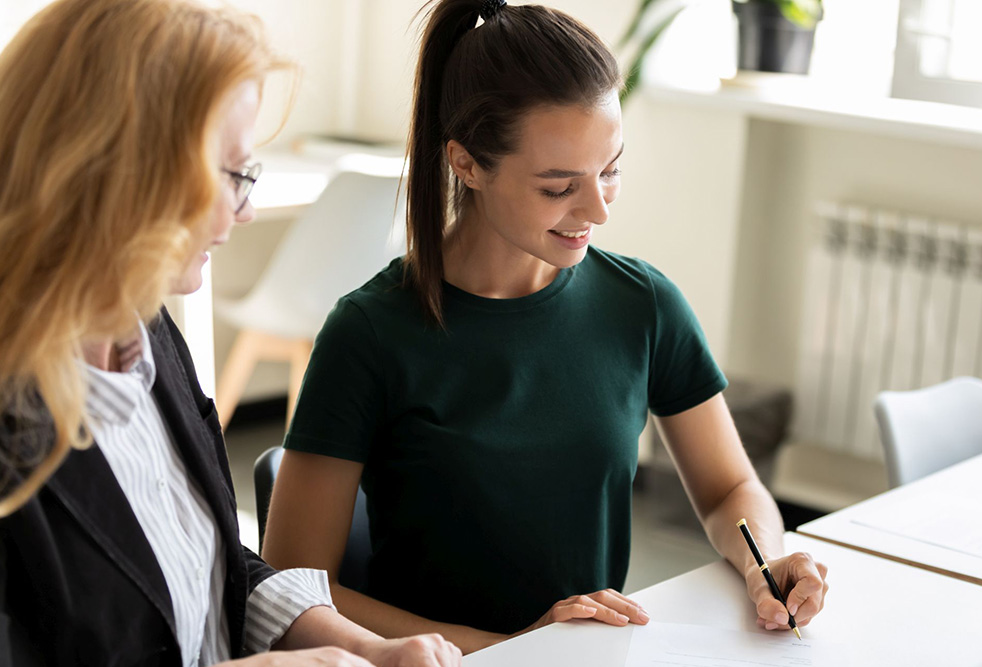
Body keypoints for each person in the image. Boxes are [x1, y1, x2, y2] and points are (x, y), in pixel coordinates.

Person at [262, 0, 829, 655]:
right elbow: (291, 589)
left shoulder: (642, 304)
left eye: (609, 171)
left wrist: (765, 564)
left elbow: (731, 486)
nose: (597, 210)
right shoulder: (369, 334)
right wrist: (507, 647)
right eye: (560, 186)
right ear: (467, 163)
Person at [0, 1, 462, 665]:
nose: (244, 210)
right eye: (234, 174)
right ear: (124, 172)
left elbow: (211, 567)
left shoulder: (148, 334)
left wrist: (367, 648)